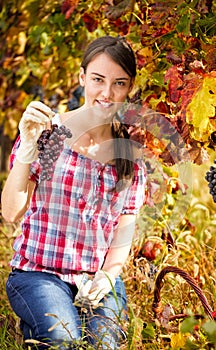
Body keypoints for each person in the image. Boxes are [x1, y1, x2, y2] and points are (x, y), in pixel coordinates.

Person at [1, 35, 147, 349]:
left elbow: (124, 228)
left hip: (94, 278)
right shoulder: (46, 133)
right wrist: (27, 149)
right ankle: (40, 325)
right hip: (39, 273)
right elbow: (11, 212)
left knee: (102, 345)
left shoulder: (129, 155)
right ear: (81, 78)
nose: (107, 93)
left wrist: (109, 276)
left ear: (129, 87)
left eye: (119, 83)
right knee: (63, 340)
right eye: (98, 79)